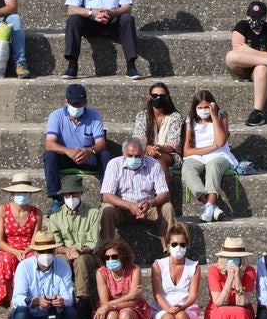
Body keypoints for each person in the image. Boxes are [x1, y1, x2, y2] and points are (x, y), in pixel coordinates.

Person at [42, 83, 115, 211]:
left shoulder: (94, 115)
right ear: (66, 102)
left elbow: (101, 143)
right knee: (49, 155)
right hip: (65, 157)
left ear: (85, 102)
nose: (77, 107)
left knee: (105, 156)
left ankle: (105, 197)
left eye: (80, 104)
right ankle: (56, 198)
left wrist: (88, 151)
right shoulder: (56, 116)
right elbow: (49, 143)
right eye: (74, 105)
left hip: (87, 156)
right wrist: (67, 151)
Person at [101, 137, 176, 252]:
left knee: (167, 208)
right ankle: (108, 251)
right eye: (130, 156)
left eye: (138, 156)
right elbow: (107, 196)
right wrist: (130, 206)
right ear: (124, 153)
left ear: (144, 154)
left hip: (147, 209)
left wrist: (150, 203)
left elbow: (165, 193)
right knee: (107, 209)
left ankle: (171, 250)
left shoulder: (154, 165)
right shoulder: (114, 164)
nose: (134, 159)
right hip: (122, 210)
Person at [149, 224, 202, 319]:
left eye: (182, 244)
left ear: (187, 245)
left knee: (180, 316)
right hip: (162, 308)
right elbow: (157, 294)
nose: (178, 247)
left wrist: (182, 306)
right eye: (174, 244)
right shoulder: (158, 265)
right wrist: (168, 308)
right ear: (167, 245)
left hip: (188, 308)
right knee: (167, 317)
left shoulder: (194, 266)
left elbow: (192, 295)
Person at [225, 0, 267, 127]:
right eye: (253, 17)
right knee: (230, 56)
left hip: (261, 73)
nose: (255, 20)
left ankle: (257, 113)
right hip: (241, 69)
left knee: (261, 68)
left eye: (259, 17)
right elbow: (237, 52)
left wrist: (249, 51)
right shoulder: (241, 26)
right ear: (247, 16)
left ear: (265, 17)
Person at [181, 89, 238, 222]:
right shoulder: (190, 120)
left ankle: (210, 205)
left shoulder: (221, 116)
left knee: (213, 166)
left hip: (220, 155)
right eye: (200, 107)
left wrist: (213, 115)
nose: (203, 110)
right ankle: (210, 206)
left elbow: (221, 142)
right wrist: (211, 147)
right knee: (187, 169)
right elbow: (186, 151)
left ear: (212, 105)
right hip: (198, 155)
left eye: (206, 107)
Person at [49, 175, 102, 316]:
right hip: (64, 252)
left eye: (74, 193)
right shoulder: (55, 216)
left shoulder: (93, 213)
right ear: (63, 196)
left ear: (80, 193)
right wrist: (67, 250)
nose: (71, 197)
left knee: (81, 260)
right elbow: (54, 243)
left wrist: (79, 250)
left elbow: (94, 242)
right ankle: (59, 298)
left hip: (86, 254)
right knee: (60, 261)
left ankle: (82, 299)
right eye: (67, 194)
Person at [0, 172, 43, 307]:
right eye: (19, 192)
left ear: (30, 194)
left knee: (33, 261)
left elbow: (35, 239)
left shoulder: (37, 213)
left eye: (25, 192)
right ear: (12, 194)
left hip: (29, 248)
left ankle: (31, 299)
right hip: (8, 247)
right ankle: (11, 301)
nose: (22, 195)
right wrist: (15, 252)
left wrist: (26, 251)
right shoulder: (3, 209)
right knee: (6, 260)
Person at [132, 82, 184, 172]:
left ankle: (162, 186)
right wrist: (149, 149)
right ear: (149, 97)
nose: (158, 98)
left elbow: (172, 145)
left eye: (162, 96)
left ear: (167, 98)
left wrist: (158, 148)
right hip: (145, 151)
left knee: (157, 159)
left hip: (168, 153)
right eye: (154, 95)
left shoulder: (175, 117)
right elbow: (139, 139)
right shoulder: (142, 115)